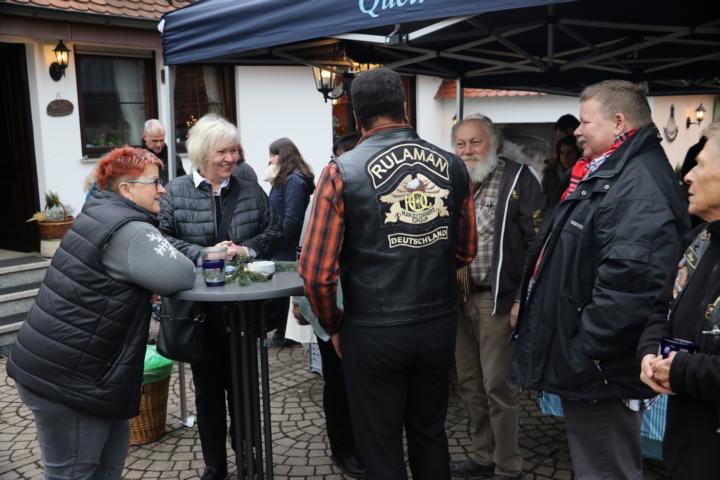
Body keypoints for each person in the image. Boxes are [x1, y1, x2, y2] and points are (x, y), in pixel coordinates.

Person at [299, 68, 477, 480]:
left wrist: (333, 326)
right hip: (436, 323)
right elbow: (465, 250)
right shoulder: (453, 165)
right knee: (430, 432)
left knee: (380, 444)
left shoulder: (341, 171)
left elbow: (315, 272)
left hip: (372, 328)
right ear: (404, 107)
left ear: (356, 116)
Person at [510, 80, 689, 480]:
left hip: (601, 369)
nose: (577, 130)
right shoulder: (610, 173)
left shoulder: (636, 185)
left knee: (605, 468)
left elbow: (632, 284)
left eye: (586, 122)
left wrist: (587, 350)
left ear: (619, 122)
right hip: (594, 364)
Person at [7, 146, 195, 479]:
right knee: (73, 473)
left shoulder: (100, 212)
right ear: (127, 189)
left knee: (106, 467)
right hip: (69, 382)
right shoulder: (130, 230)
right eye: (155, 182)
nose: (163, 189)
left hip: (78, 372)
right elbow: (179, 274)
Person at [159, 114, 282, 480]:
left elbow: (273, 229)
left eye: (234, 150)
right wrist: (204, 254)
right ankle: (215, 465)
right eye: (222, 152)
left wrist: (248, 249)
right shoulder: (176, 192)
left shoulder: (249, 189)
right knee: (207, 394)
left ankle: (248, 458)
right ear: (202, 153)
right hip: (199, 314)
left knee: (245, 391)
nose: (231, 158)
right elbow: (163, 238)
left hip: (243, 312)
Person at [450, 115, 543, 480]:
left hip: (496, 299)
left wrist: (521, 297)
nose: (467, 150)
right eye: (461, 144)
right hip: (458, 296)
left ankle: (507, 464)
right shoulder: (453, 181)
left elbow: (536, 244)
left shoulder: (518, 179)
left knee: (496, 386)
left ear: (494, 143)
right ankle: (482, 454)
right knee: (468, 383)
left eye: (475, 142)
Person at [638, 123, 720, 480]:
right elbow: (661, 310)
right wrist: (649, 354)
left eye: (699, 164)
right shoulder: (697, 240)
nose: (687, 176)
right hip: (685, 447)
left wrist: (682, 370)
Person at [265, 137, 315, 348]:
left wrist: (278, 242)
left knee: (287, 286)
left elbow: (292, 219)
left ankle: (286, 333)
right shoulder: (286, 177)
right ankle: (282, 331)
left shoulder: (294, 180)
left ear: (282, 155)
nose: (270, 159)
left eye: (273, 155)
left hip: (288, 243)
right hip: (283, 242)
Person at [542, 114, 580, 208]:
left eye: (560, 137)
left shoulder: (586, 170)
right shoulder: (551, 172)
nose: (557, 142)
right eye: (562, 152)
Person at [143, 118, 187, 183]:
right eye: (155, 141)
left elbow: (183, 183)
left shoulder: (174, 158)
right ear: (145, 137)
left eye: (162, 140)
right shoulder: (136, 158)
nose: (159, 145)